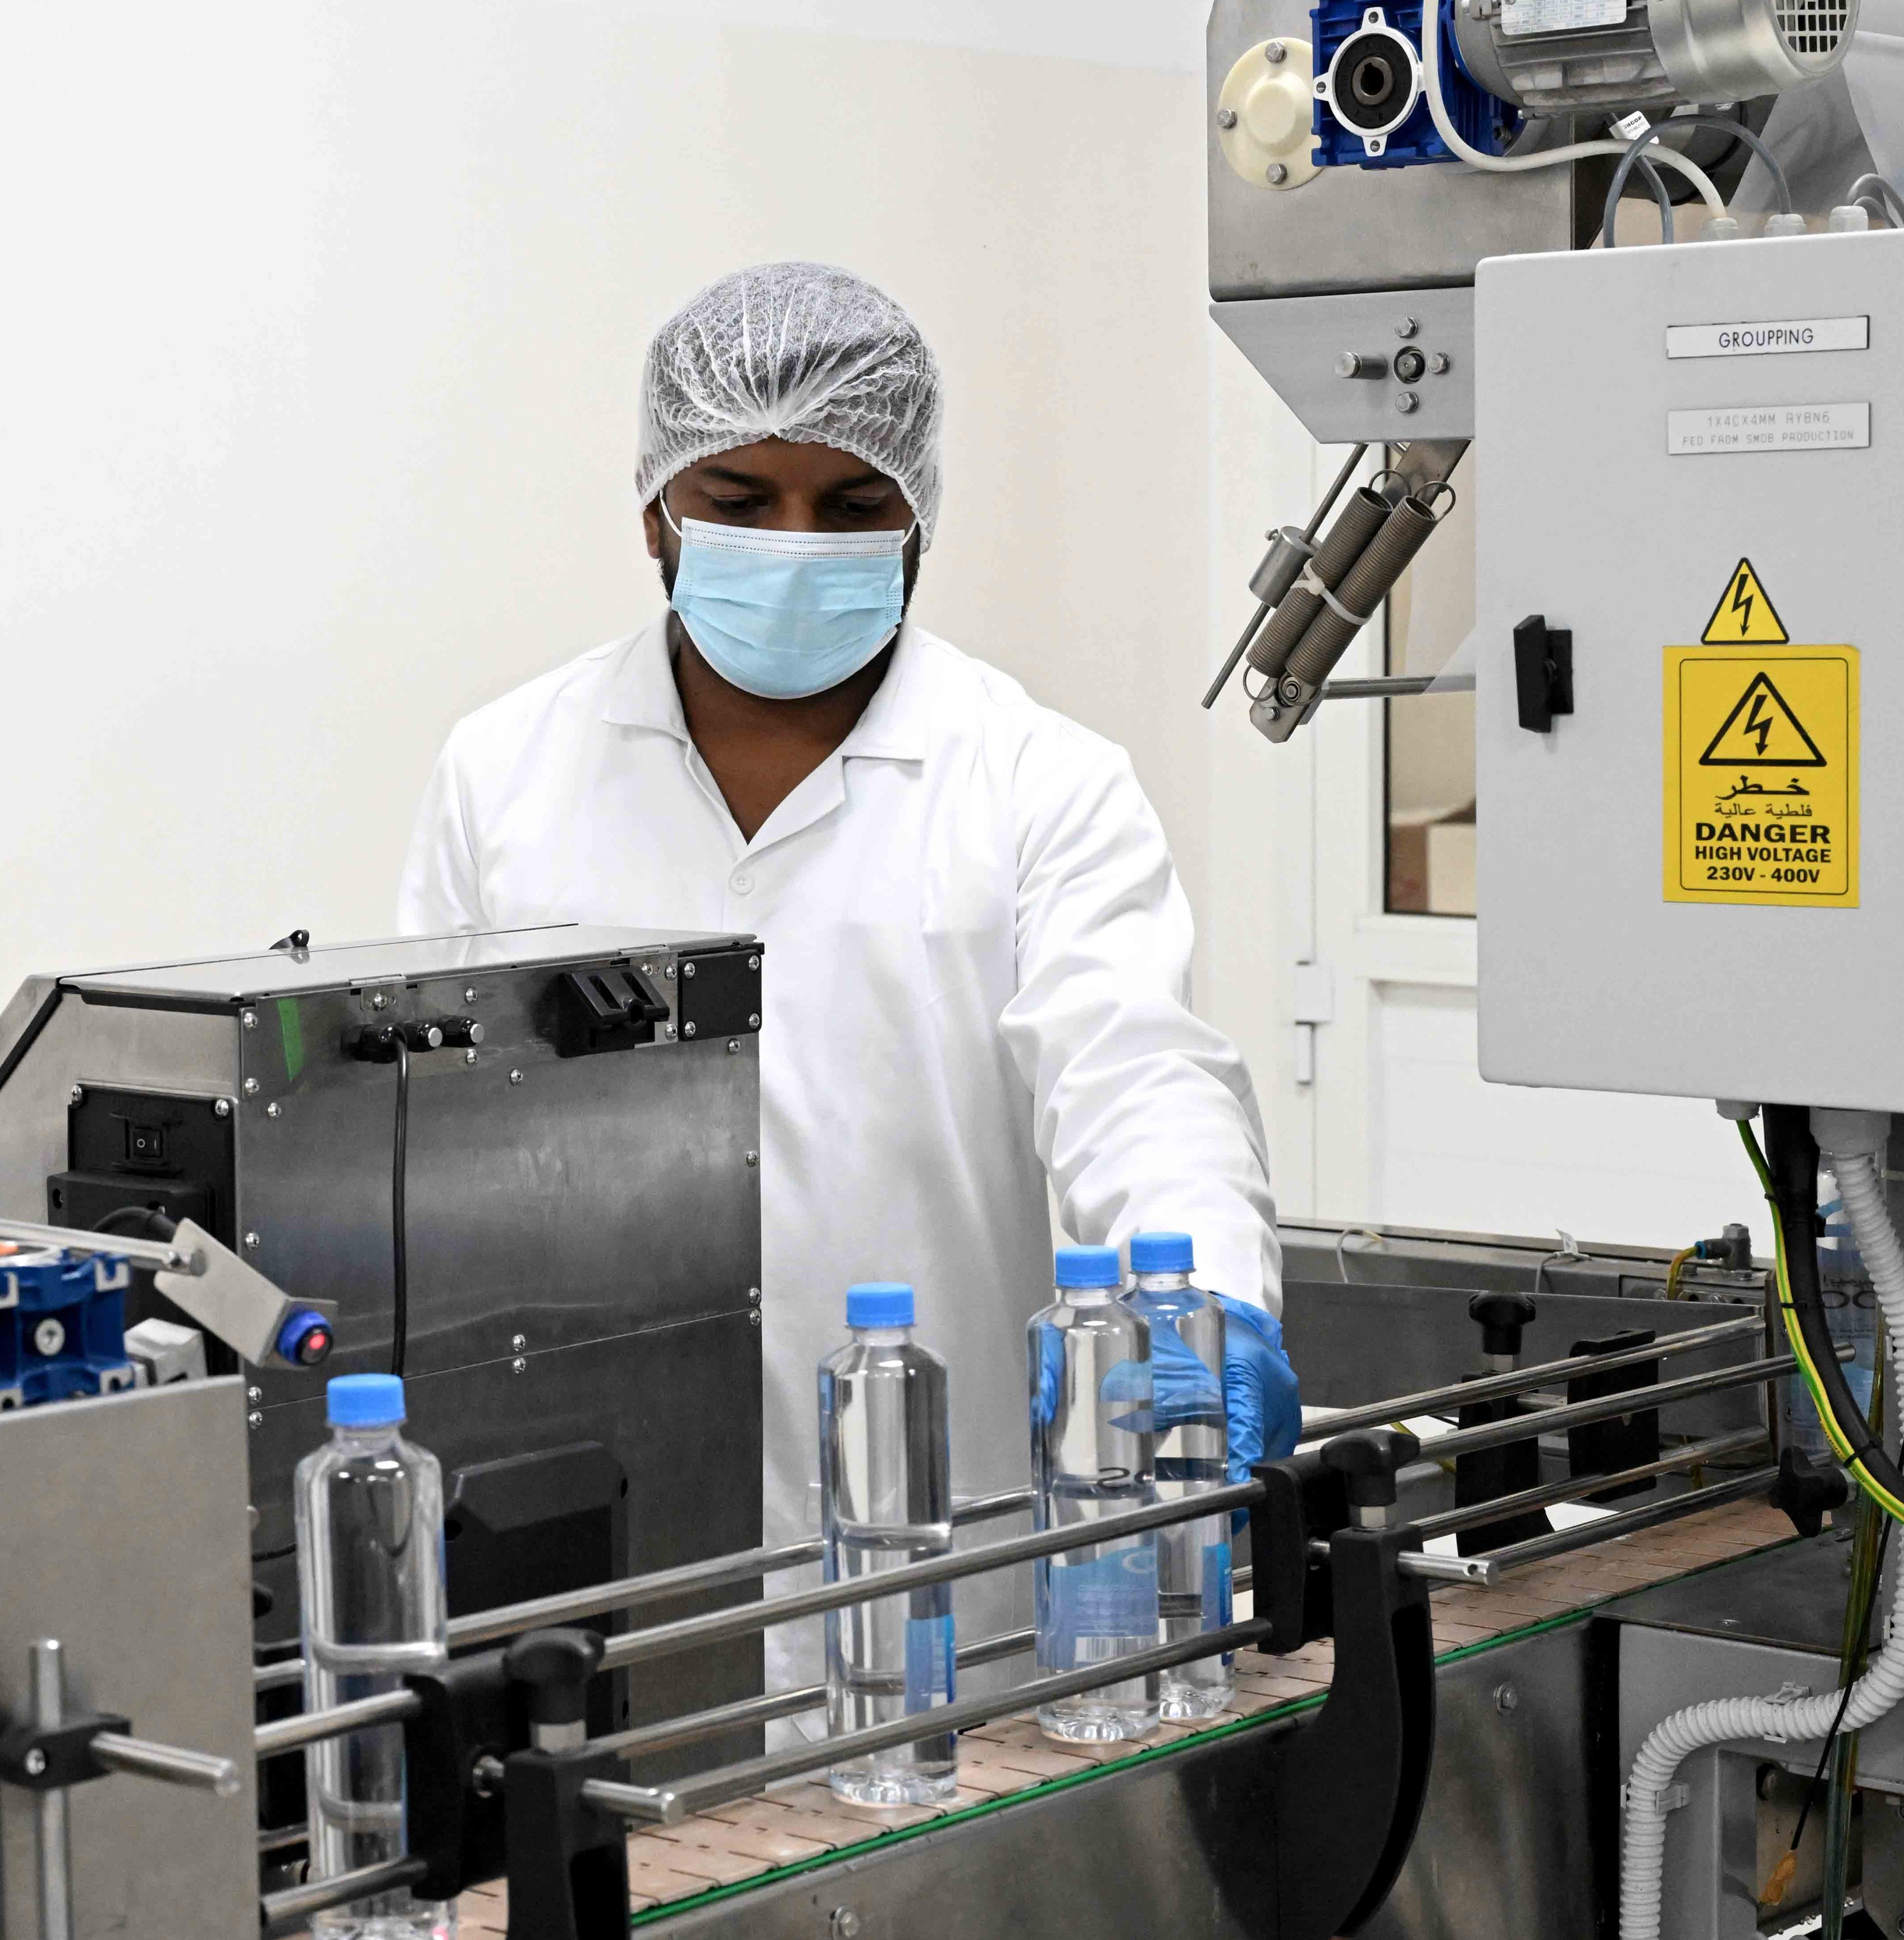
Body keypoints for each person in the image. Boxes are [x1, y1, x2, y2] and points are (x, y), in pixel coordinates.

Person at [396, 261, 1290, 1673]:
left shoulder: (1038, 782)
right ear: (654, 510)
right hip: (600, 1591)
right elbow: (429, 1150)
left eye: (854, 503)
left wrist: (1213, 1305)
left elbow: (1137, 1073)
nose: (797, 545)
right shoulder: (506, 774)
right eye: (743, 500)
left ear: (919, 518)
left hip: (960, 1587)